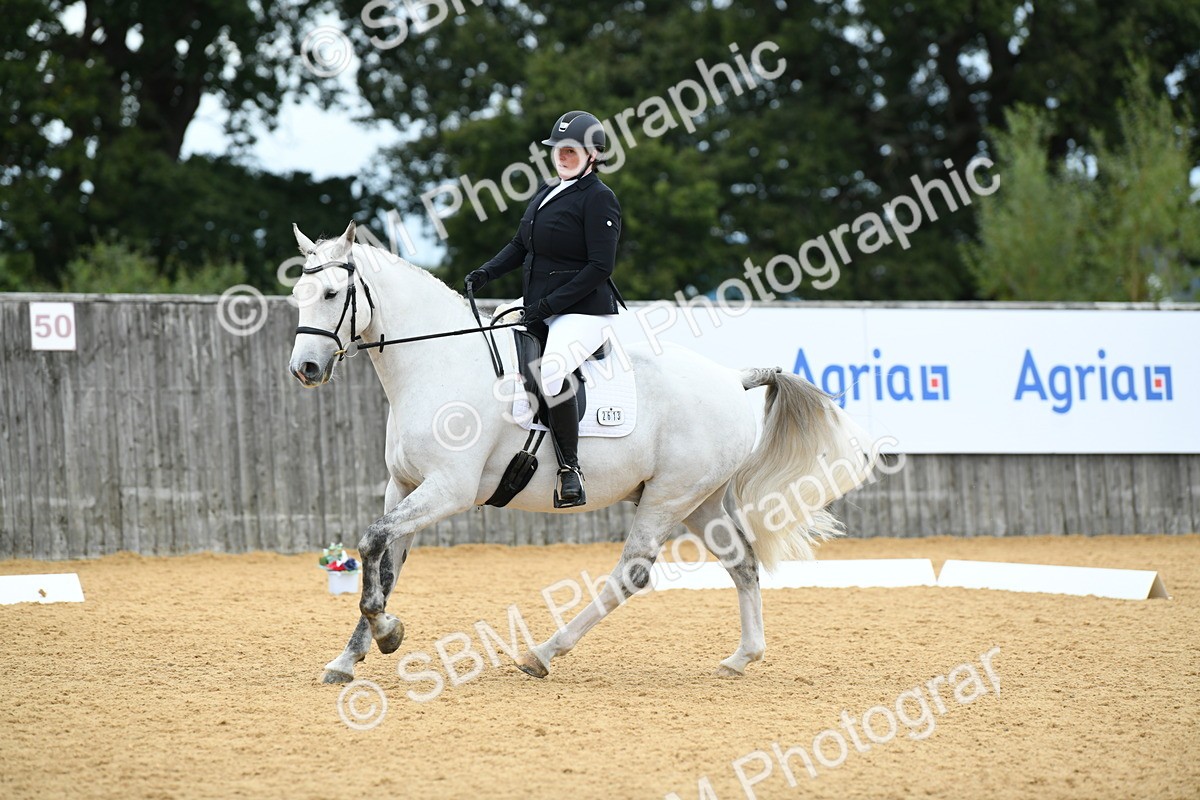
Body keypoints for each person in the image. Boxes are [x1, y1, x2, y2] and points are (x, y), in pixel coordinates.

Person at [465, 110, 626, 508]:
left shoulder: (599, 198)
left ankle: (570, 470)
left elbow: (600, 267)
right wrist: (486, 272)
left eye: (571, 150)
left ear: (593, 154)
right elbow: (521, 246)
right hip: (540, 305)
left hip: (585, 311)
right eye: (558, 149)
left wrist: (547, 306)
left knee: (551, 371)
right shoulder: (546, 192)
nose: (562, 156)